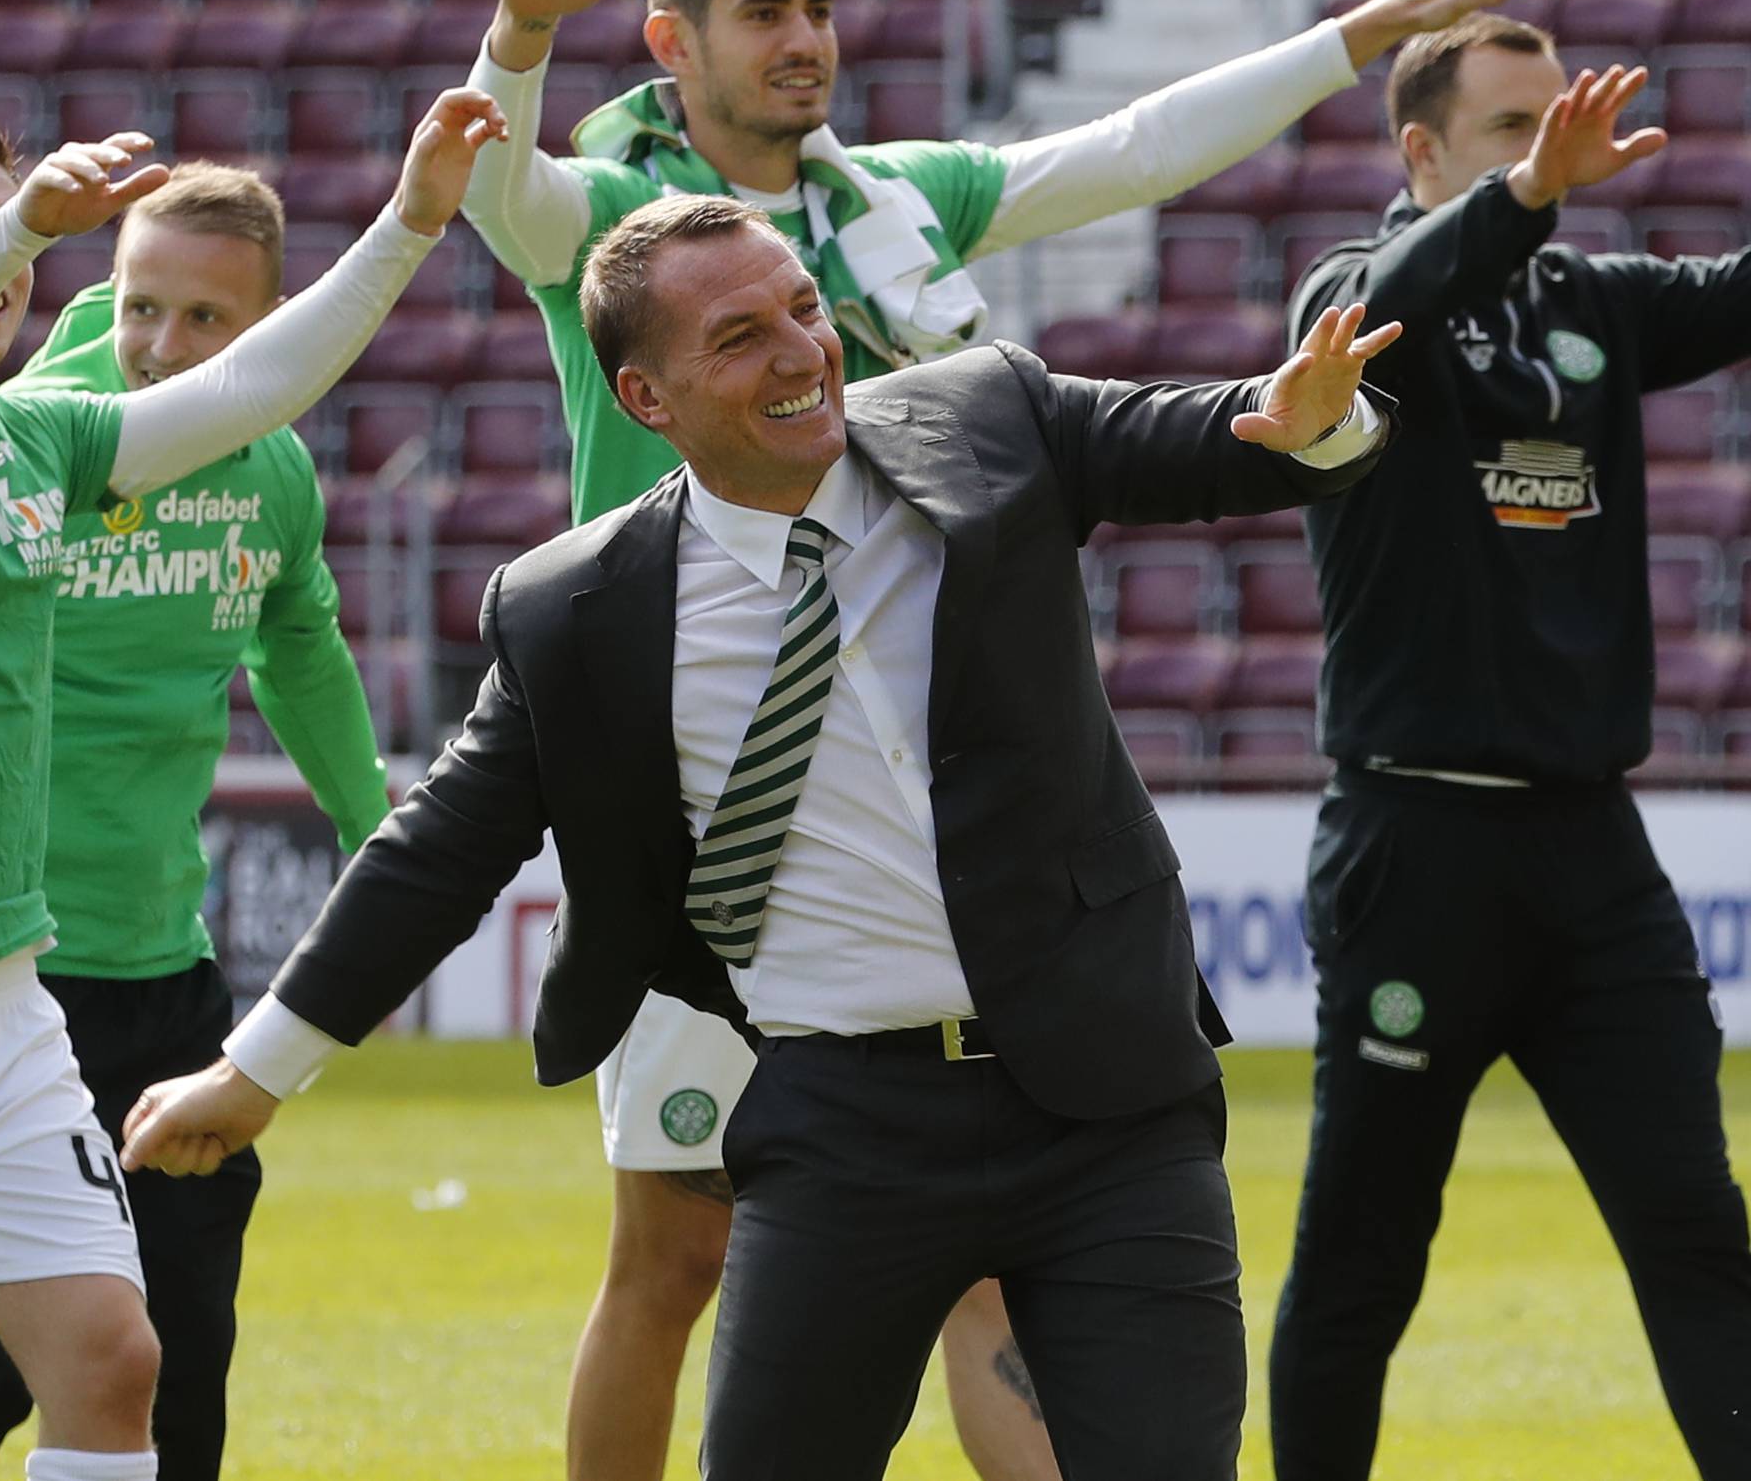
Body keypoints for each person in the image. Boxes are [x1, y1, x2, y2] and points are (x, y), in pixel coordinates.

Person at [456, 0, 1583, 1481]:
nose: (805, 39)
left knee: (993, 1246)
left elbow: (1129, 151)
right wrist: (514, 41)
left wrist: (1354, 39)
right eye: (762, 12)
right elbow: (489, 189)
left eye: (819, 6)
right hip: (714, 797)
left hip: (939, 776)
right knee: (671, 1258)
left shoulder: (894, 196)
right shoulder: (620, 232)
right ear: (672, 40)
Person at [122, 192, 1402, 1481]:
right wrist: (255, 1070)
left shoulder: (987, 420)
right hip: (843, 1124)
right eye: (739, 336)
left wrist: (1318, 425)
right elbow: (441, 846)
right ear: (646, 399)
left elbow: (1215, 437)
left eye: (803, 307)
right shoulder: (575, 610)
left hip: (1108, 1103)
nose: (802, 351)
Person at [0, 87, 502, 1481]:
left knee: (116, 1355)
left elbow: (262, 387)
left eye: (3, 232)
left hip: (4, 1005)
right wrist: (21, 216)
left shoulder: (35, 447)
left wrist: (409, 221)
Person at [1266, 13, 1751, 1480]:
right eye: (1512, 128)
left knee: (1696, 1229)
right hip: (1417, 847)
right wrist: (1528, 194)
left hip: (1590, 853)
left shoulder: (1589, 295)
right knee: (1363, 1254)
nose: (1555, 145)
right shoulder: (1352, 296)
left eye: (1561, 121)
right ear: (1420, 151)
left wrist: (1536, 209)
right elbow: (1416, 277)